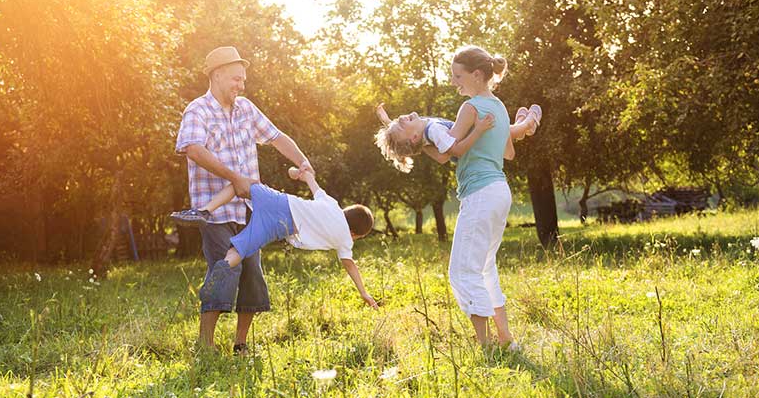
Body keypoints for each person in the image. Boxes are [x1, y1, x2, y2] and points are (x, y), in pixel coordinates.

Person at [175, 45, 315, 355]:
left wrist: (303, 162)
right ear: (217, 75)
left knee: (252, 274)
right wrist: (234, 177)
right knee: (224, 270)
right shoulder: (197, 110)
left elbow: (277, 136)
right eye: (236, 79)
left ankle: (241, 344)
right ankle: (206, 345)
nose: (241, 86)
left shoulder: (246, 109)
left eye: (243, 80)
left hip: (251, 210)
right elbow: (193, 150)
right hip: (215, 212)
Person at [424, 45, 522, 349]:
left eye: (458, 76)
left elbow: (448, 149)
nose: (454, 82)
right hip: (499, 191)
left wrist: (421, 140)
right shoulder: (500, 107)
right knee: (484, 267)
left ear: (477, 75)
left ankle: (486, 344)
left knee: (463, 271)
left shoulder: (471, 108)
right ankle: (505, 339)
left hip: (480, 193)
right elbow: (509, 152)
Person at [192, 167, 379, 310]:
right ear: (355, 234)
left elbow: (311, 181)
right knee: (239, 250)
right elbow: (350, 265)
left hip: (278, 201)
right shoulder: (344, 240)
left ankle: (205, 210)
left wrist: (300, 172)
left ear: (346, 211)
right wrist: (363, 292)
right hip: (279, 227)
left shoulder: (332, 205)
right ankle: (224, 266)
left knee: (239, 184)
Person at [373, 103, 541, 173]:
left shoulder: (420, 129)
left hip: (474, 142)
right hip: (474, 144)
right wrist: (479, 130)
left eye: (397, 120)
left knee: (504, 132)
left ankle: (521, 126)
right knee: (501, 131)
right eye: (400, 124)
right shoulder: (434, 132)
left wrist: (388, 121)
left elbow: (404, 138)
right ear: (414, 137)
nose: (401, 118)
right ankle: (528, 123)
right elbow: (457, 151)